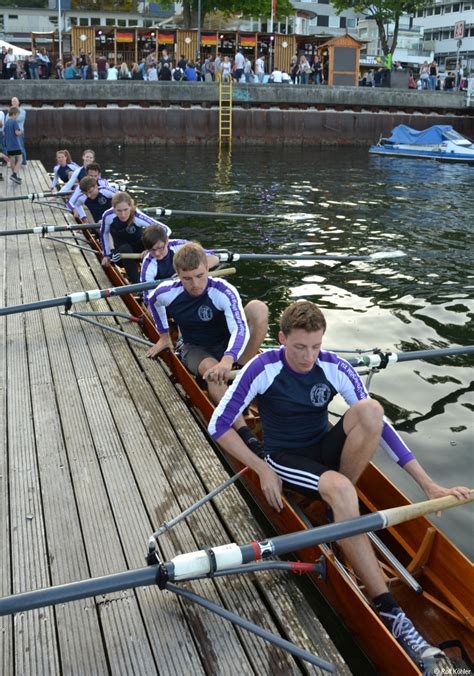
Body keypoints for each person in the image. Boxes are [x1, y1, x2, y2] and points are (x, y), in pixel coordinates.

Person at [208, 300, 470, 671]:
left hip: (322, 450)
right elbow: (218, 425)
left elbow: (384, 431)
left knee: (372, 411)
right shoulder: (261, 368)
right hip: (285, 457)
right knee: (345, 491)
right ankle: (392, 613)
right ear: (282, 339)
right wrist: (262, 469)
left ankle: (339, 508)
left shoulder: (332, 365)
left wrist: (427, 485)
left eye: (316, 346)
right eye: (299, 347)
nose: (308, 356)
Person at [146, 242, 268, 451]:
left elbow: (239, 329)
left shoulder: (223, 290)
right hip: (195, 347)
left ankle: (242, 364)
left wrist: (229, 359)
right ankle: (245, 433)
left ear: (207, 268)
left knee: (258, 308)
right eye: (187, 278)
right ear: (177, 275)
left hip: (227, 344)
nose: (195, 284)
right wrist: (164, 336)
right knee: (213, 371)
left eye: (200, 275)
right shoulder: (166, 292)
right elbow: (153, 303)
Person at [100, 191, 170, 284]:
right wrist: (106, 255)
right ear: (113, 208)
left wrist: (149, 250)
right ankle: (138, 285)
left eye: (126, 210)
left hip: (140, 251)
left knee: (154, 246)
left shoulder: (138, 216)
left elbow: (166, 229)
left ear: (130, 206)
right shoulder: (107, 216)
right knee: (125, 248)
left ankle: (162, 276)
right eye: (119, 211)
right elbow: (104, 233)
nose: (123, 214)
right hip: (120, 254)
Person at [140, 226, 220, 303]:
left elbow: (214, 258)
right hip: (168, 294)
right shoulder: (148, 265)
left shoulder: (181, 245)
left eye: (160, 247)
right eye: (152, 250)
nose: (157, 253)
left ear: (167, 241)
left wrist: (191, 273)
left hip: (190, 285)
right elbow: (149, 300)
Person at [4, 106, 23, 184]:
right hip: (15, 145)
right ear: (14, 114)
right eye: (17, 115)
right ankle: (14, 174)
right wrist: (21, 132)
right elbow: (17, 133)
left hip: (8, 145)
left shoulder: (7, 122)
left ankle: (14, 176)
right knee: (20, 159)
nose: (17, 116)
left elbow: (4, 133)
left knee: (12, 160)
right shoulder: (14, 122)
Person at [9, 97, 27, 166]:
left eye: (15, 101)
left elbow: (18, 118)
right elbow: (7, 120)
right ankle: (17, 162)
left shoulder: (23, 111)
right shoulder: (10, 111)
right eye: (12, 101)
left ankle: (24, 163)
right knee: (13, 148)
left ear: (18, 102)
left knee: (21, 148)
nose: (14, 103)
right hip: (11, 133)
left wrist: (11, 117)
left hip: (19, 133)